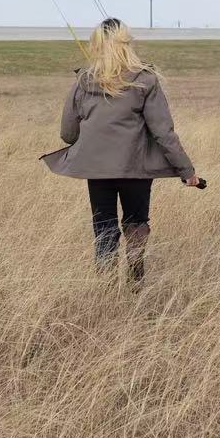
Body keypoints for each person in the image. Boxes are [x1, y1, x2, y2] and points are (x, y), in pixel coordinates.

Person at [42, 19, 202, 287]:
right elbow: (163, 132)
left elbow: (68, 134)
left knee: (103, 227)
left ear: (96, 45)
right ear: (127, 43)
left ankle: (105, 288)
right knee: (136, 224)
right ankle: (136, 283)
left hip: (96, 169)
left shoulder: (84, 81)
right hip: (135, 169)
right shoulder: (145, 79)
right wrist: (187, 171)